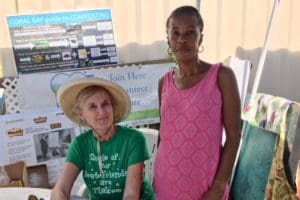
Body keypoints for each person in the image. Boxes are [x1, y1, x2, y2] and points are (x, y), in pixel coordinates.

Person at [153, 5, 241, 200]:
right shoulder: (164, 83)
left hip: (206, 187)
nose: (182, 39)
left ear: (201, 37)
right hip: (165, 184)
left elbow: (234, 136)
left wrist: (218, 187)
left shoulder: (221, 76)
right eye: (175, 33)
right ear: (168, 39)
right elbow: (164, 136)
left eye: (190, 33)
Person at [51, 77, 155, 200]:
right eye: (92, 107)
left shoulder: (133, 139)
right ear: (82, 114)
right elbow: (61, 188)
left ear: (112, 107)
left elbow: (131, 195)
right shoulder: (80, 144)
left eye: (106, 104)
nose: (102, 112)